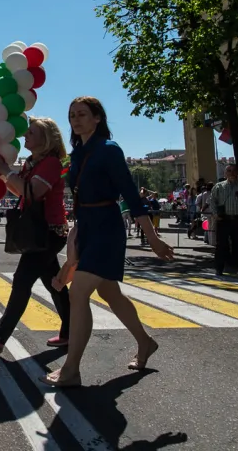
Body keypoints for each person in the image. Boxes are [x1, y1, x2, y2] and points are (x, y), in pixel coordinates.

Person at [41, 96, 174, 388]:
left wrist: (153, 239)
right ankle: (145, 342)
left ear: (98, 118)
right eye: (72, 115)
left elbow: (130, 194)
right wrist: (74, 239)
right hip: (87, 227)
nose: (76, 120)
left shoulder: (109, 150)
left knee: (78, 294)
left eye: (82, 114)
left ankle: (72, 369)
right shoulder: (76, 155)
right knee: (110, 294)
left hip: (107, 228)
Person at [0, 117, 71, 353]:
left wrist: (6, 172)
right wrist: (5, 175)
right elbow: (19, 192)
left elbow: (33, 192)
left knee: (22, 280)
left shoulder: (52, 163)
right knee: (54, 283)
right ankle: (70, 331)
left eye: (31, 133)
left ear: (45, 139)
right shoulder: (33, 163)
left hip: (48, 231)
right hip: (40, 230)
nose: (25, 136)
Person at [211, 164, 238, 277]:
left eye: (234, 170)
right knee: (221, 245)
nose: (231, 173)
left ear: (237, 172)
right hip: (224, 220)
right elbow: (212, 202)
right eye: (229, 171)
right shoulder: (218, 187)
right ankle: (219, 269)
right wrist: (216, 215)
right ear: (225, 174)